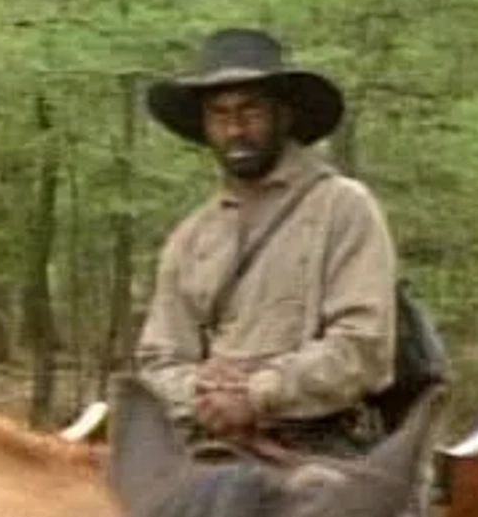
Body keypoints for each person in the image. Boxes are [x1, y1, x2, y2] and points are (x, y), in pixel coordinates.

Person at [135, 28, 399, 458]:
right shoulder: (192, 236)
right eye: (219, 115)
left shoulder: (343, 207)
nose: (235, 129)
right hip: (206, 442)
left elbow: (362, 347)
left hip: (320, 444)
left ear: (284, 116)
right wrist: (201, 391)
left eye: (250, 111)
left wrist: (260, 393)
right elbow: (159, 359)